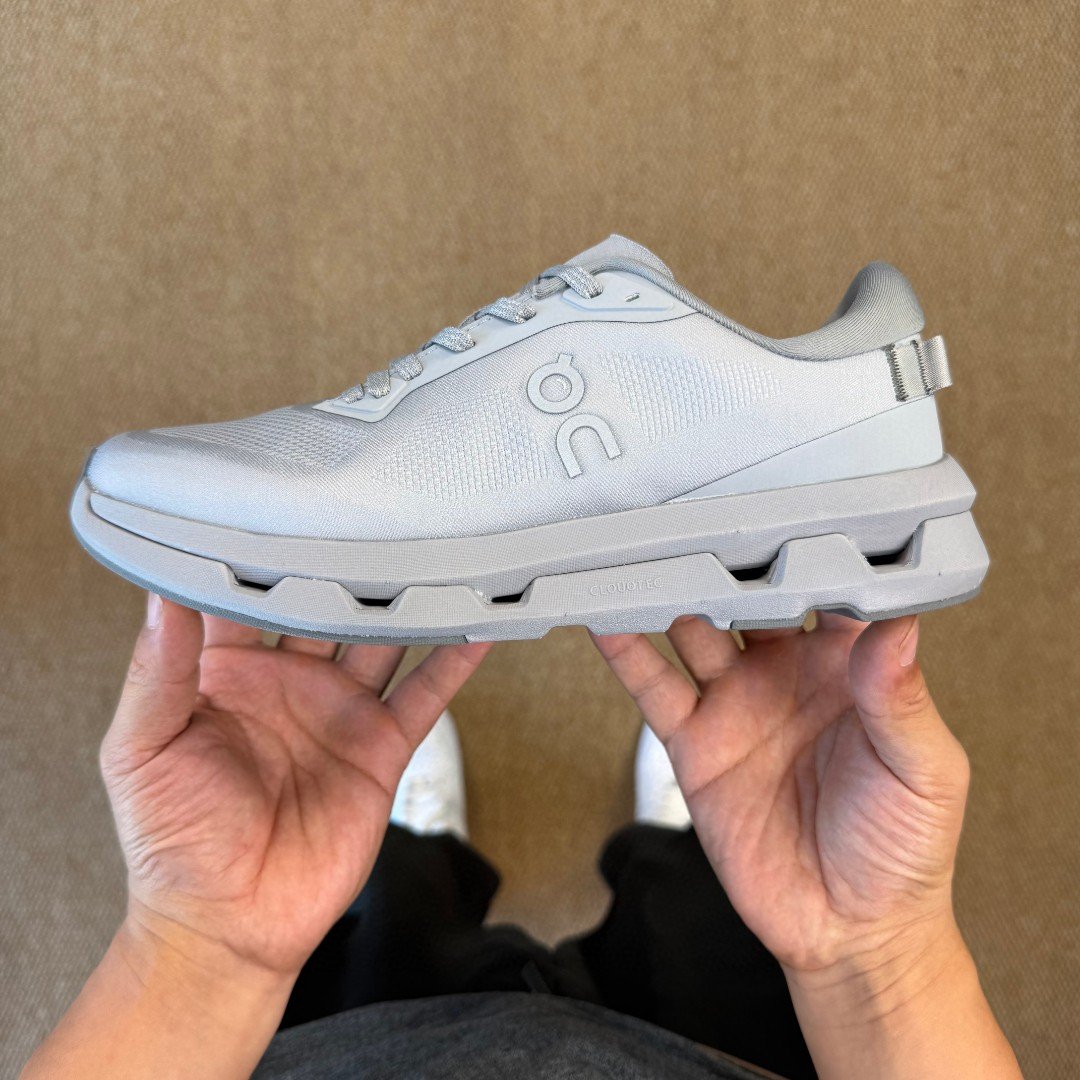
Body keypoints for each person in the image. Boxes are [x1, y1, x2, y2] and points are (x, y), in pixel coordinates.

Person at [24, 596, 1021, 1079]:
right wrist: (872, 957)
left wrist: (203, 951)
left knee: (382, 916)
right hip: (718, 1056)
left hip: (358, 1048)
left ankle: (410, 847)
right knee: (700, 922)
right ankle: (688, 846)